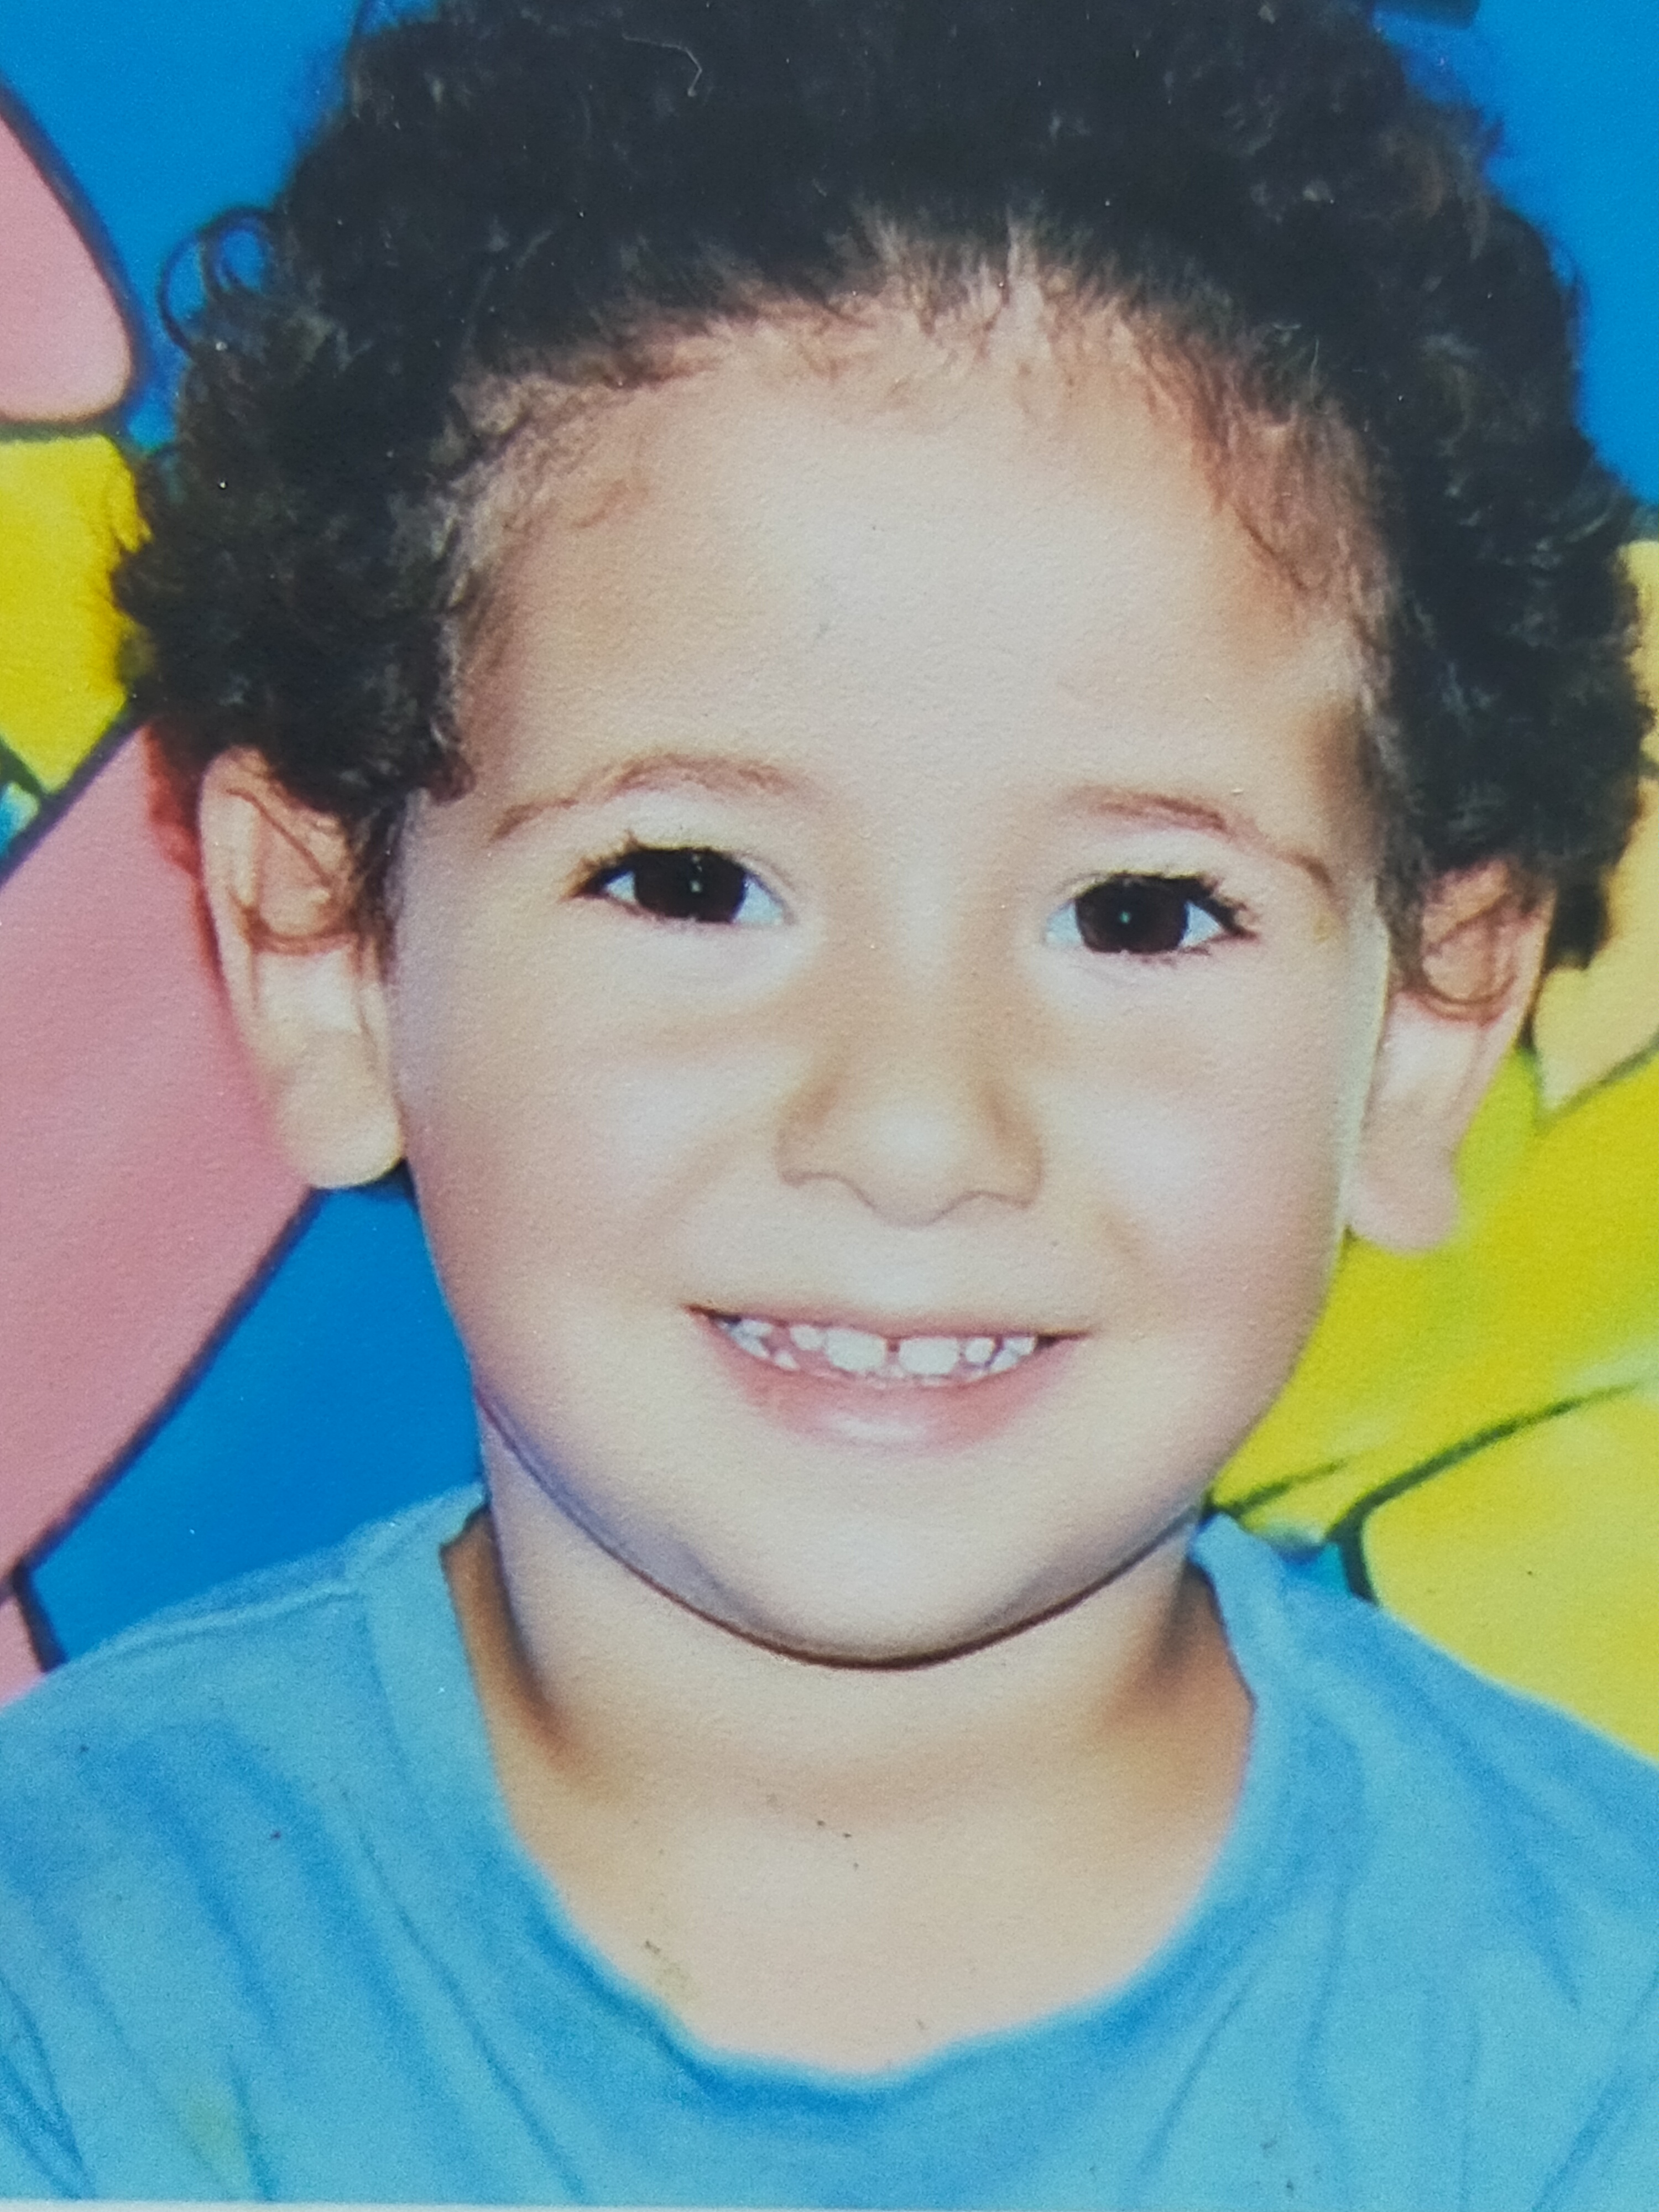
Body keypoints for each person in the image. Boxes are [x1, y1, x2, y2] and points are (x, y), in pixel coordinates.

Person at [3, 0, 1657, 2200]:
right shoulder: (65, 1980)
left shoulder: (1598, 2050)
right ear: (326, 944)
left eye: (1142, 912)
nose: (912, 1130)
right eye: (691, 881)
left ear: (1434, 1012)